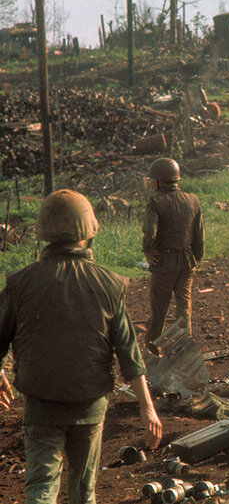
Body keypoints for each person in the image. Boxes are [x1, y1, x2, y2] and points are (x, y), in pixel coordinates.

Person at [0, 189, 162, 504]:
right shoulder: (110, 284)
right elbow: (129, 352)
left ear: (44, 233)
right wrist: (147, 407)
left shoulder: (20, 283)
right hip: (89, 406)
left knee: (40, 488)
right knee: (83, 492)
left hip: (41, 405)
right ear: (88, 233)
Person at [142, 157, 204, 355]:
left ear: (159, 181)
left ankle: (153, 352)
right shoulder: (193, 200)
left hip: (164, 264)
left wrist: (149, 252)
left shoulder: (155, 202)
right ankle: (184, 351)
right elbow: (199, 235)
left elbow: (149, 232)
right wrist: (196, 259)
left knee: (158, 311)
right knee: (183, 310)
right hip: (187, 263)